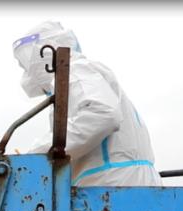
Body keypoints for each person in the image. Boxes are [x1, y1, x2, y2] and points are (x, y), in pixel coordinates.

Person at [12, 20, 162, 187]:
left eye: (26, 60)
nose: (27, 70)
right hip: (121, 184)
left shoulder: (74, 70)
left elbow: (102, 114)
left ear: (44, 51)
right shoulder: (79, 74)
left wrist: (37, 154)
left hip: (112, 184)